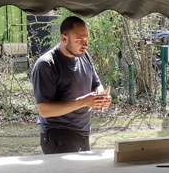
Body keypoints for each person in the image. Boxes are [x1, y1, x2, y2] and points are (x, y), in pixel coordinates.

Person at [32, 16, 112, 154]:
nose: (85, 45)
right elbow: (44, 110)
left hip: (83, 132)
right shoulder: (46, 65)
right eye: (79, 40)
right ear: (64, 39)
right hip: (58, 135)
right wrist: (83, 101)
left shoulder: (84, 56)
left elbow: (96, 84)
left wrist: (101, 97)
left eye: (87, 39)